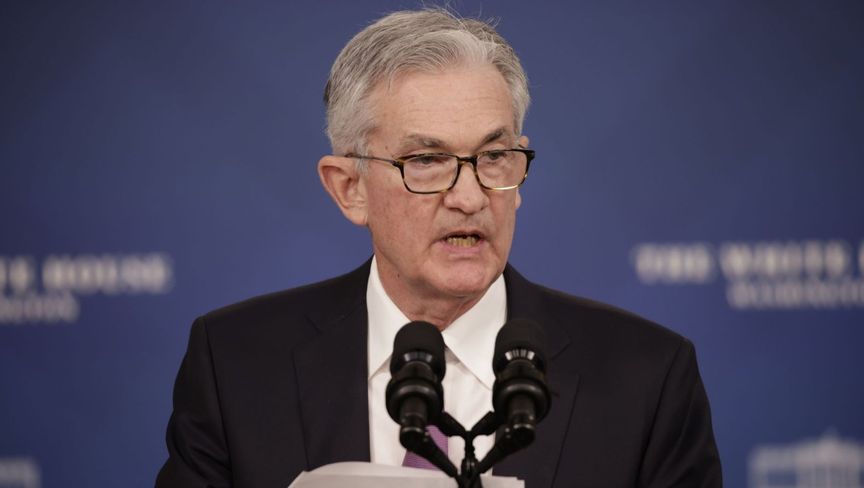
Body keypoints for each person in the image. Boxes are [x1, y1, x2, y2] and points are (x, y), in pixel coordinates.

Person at [156, 8, 721, 488]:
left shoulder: (647, 377)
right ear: (350, 188)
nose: (470, 197)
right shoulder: (236, 365)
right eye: (426, 161)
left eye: (494, 157)